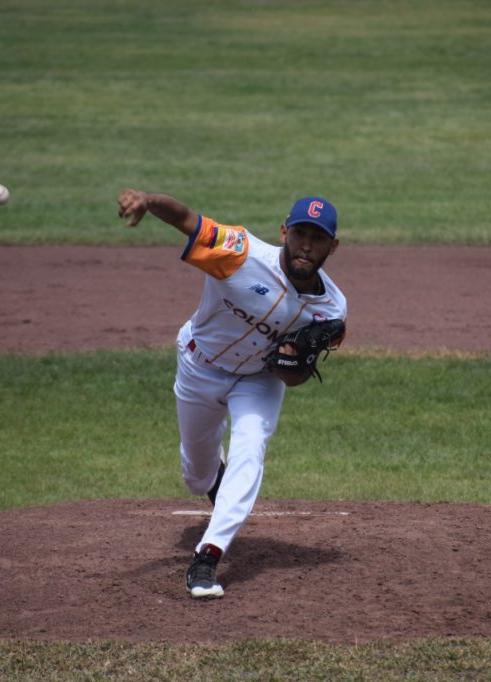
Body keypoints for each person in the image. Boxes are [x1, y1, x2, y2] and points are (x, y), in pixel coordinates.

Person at [116, 189, 348, 599]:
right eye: (300, 234)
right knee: (197, 475)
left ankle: (208, 556)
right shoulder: (239, 252)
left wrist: (293, 364)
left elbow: (294, 377)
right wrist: (149, 202)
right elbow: (188, 218)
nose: (306, 245)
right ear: (284, 232)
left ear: (333, 245)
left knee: (251, 446)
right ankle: (216, 482)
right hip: (198, 365)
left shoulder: (331, 310)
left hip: (258, 380)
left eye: (318, 238)